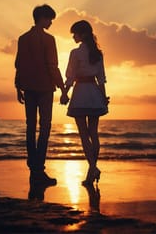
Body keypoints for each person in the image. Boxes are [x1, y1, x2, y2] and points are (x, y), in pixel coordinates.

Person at [15, 4, 68, 185]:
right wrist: (62, 88)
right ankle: (39, 169)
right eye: (50, 19)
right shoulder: (48, 39)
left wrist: (18, 87)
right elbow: (52, 66)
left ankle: (33, 169)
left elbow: (18, 64)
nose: (51, 22)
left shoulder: (23, 38)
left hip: (28, 88)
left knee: (31, 127)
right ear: (43, 18)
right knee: (44, 128)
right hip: (45, 88)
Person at [61, 20, 109, 186]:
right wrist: (104, 98)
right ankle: (92, 169)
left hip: (81, 93)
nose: (74, 36)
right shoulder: (98, 53)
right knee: (93, 133)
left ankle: (93, 168)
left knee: (83, 134)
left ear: (83, 34)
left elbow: (70, 77)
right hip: (95, 94)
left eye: (75, 33)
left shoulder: (75, 53)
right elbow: (101, 79)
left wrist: (64, 93)